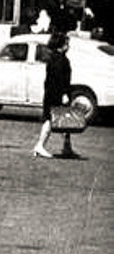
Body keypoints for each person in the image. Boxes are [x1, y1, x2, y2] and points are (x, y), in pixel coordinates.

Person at [33, 31, 77, 159]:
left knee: (64, 120)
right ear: (61, 45)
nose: (68, 46)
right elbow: (59, 78)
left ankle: (67, 147)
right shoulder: (59, 59)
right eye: (67, 44)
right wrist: (64, 94)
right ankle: (40, 145)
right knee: (50, 120)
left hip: (52, 94)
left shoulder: (55, 57)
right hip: (56, 95)